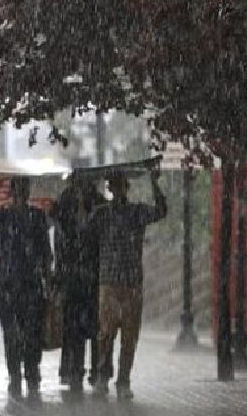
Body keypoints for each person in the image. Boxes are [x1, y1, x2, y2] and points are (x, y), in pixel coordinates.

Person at [87, 165, 167, 400]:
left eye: (120, 185)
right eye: (113, 185)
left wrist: (155, 183)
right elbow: (84, 232)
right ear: (110, 188)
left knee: (129, 336)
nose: (117, 190)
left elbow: (161, 210)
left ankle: (123, 380)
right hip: (109, 281)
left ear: (126, 187)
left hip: (131, 282)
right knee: (106, 334)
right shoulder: (101, 214)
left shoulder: (137, 212)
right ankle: (103, 376)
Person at [0, 176, 52, 399]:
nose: (20, 194)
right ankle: (18, 374)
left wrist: (47, 278)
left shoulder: (35, 217)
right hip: (10, 284)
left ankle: (30, 374)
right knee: (13, 333)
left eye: (22, 190)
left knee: (30, 332)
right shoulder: (5, 216)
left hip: (28, 283)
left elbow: (45, 252)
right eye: (18, 190)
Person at [52, 175, 110, 393]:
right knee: (74, 328)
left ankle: (97, 371)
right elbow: (60, 233)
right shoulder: (65, 203)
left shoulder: (98, 204)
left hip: (92, 276)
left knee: (95, 328)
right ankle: (75, 371)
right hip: (73, 277)